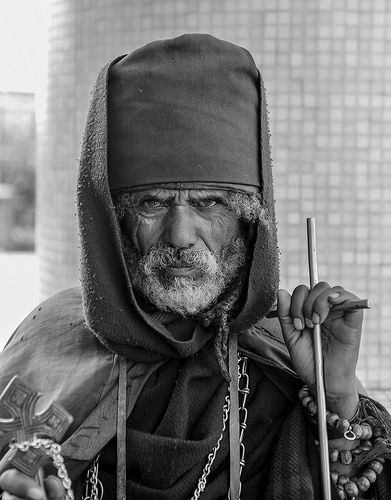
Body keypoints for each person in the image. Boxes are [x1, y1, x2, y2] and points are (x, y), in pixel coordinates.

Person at [0, 34, 390, 500]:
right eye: (151, 203)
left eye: (209, 203)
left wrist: (336, 394)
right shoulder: (48, 345)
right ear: (114, 223)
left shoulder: (288, 360)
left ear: (249, 221)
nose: (181, 235)